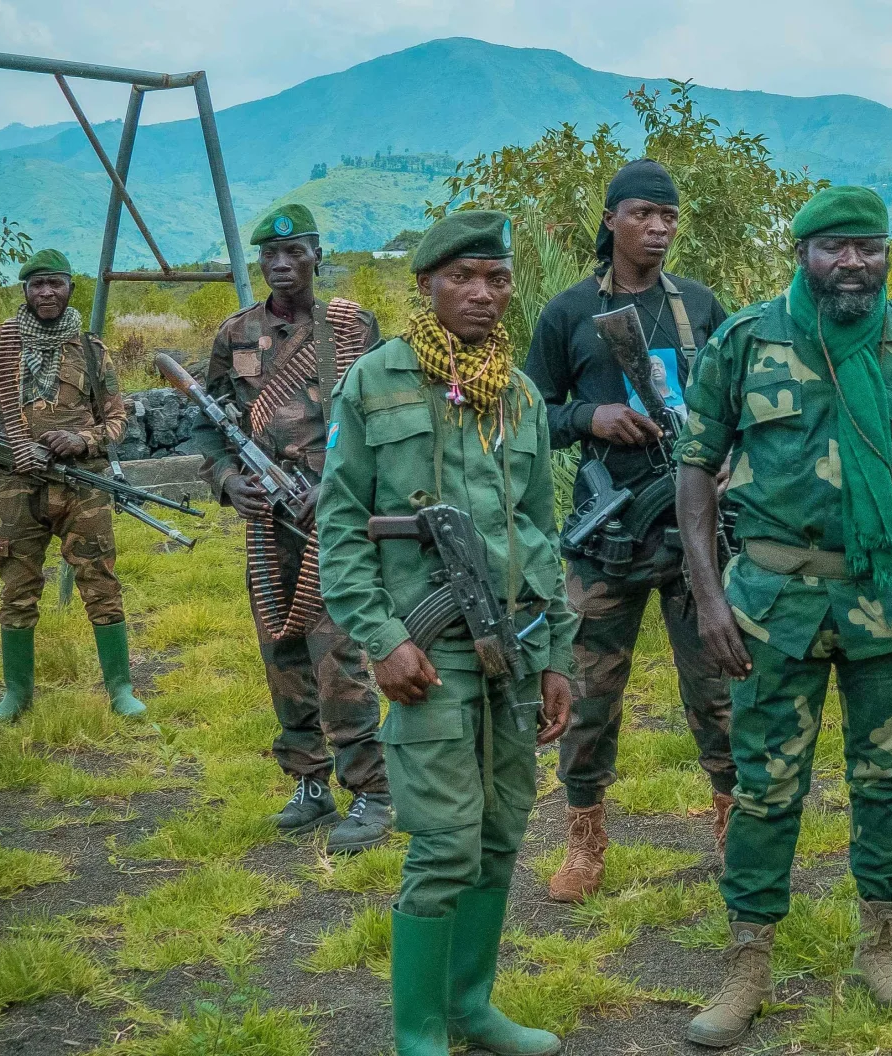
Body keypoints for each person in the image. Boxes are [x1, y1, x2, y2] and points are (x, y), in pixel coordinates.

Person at [674, 186, 892, 1048]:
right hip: (773, 604)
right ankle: (746, 964)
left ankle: (880, 948)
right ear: (803, 252)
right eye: (834, 248)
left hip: (887, 601)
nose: (853, 263)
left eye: (869, 247)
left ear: (886, 253)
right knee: (767, 788)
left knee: (888, 782)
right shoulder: (747, 342)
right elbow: (696, 468)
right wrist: (708, 598)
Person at [317, 210, 578, 1056]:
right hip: (425, 657)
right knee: (444, 842)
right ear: (426, 285)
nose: (481, 293)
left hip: (515, 649)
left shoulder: (522, 394)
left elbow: (542, 528)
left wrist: (556, 658)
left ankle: (472, 1006)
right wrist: (383, 638)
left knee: (501, 831)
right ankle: (419, 1033)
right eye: (461, 277)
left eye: (495, 278)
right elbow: (342, 526)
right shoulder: (375, 384)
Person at [525, 159, 735, 902]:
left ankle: (732, 825)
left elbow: (734, 401)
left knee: (718, 682)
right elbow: (533, 413)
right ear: (611, 219)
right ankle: (584, 837)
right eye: (643, 214)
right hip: (608, 531)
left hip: (693, 531)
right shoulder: (568, 313)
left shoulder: (701, 307)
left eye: (669, 217)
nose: (658, 228)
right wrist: (592, 416)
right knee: (586, 691)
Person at [193, 205, 390, 854]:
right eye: (269, 256)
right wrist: (229, 481)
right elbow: (208, 421)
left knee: (337, 652)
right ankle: (310, 783)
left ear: (315, 256)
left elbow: (382, 422)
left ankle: (371, 790)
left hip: (332, 520)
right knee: (281, 651)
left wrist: (340, 489)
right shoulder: (236, 335)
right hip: (264, 522)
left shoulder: (351, 328)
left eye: (294, 253)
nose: (281, 265)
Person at [0, 249, 145, 724]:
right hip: (18, 486)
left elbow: (119, 420)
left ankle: (121, 690)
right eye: (37, 284)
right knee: (17, 588)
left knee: (100, 582)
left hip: (84, 487)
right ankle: (15, 695)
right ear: (25, 290)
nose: (46, 293)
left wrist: (82, 438)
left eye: (55, 284)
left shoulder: (90, 349)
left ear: (70, 288)